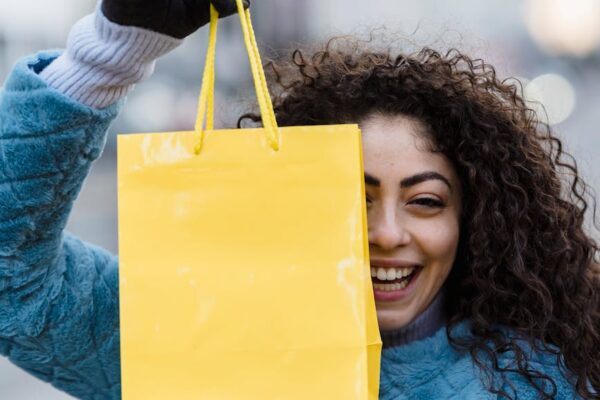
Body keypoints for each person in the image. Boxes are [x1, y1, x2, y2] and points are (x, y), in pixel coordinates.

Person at [0, 0, 598, 399]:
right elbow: (14, 287)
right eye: (352, 197)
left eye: (425, 202)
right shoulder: (196, 335)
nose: (387, 232)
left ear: (473, 222)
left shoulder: (533, 381)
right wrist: (111, 52)